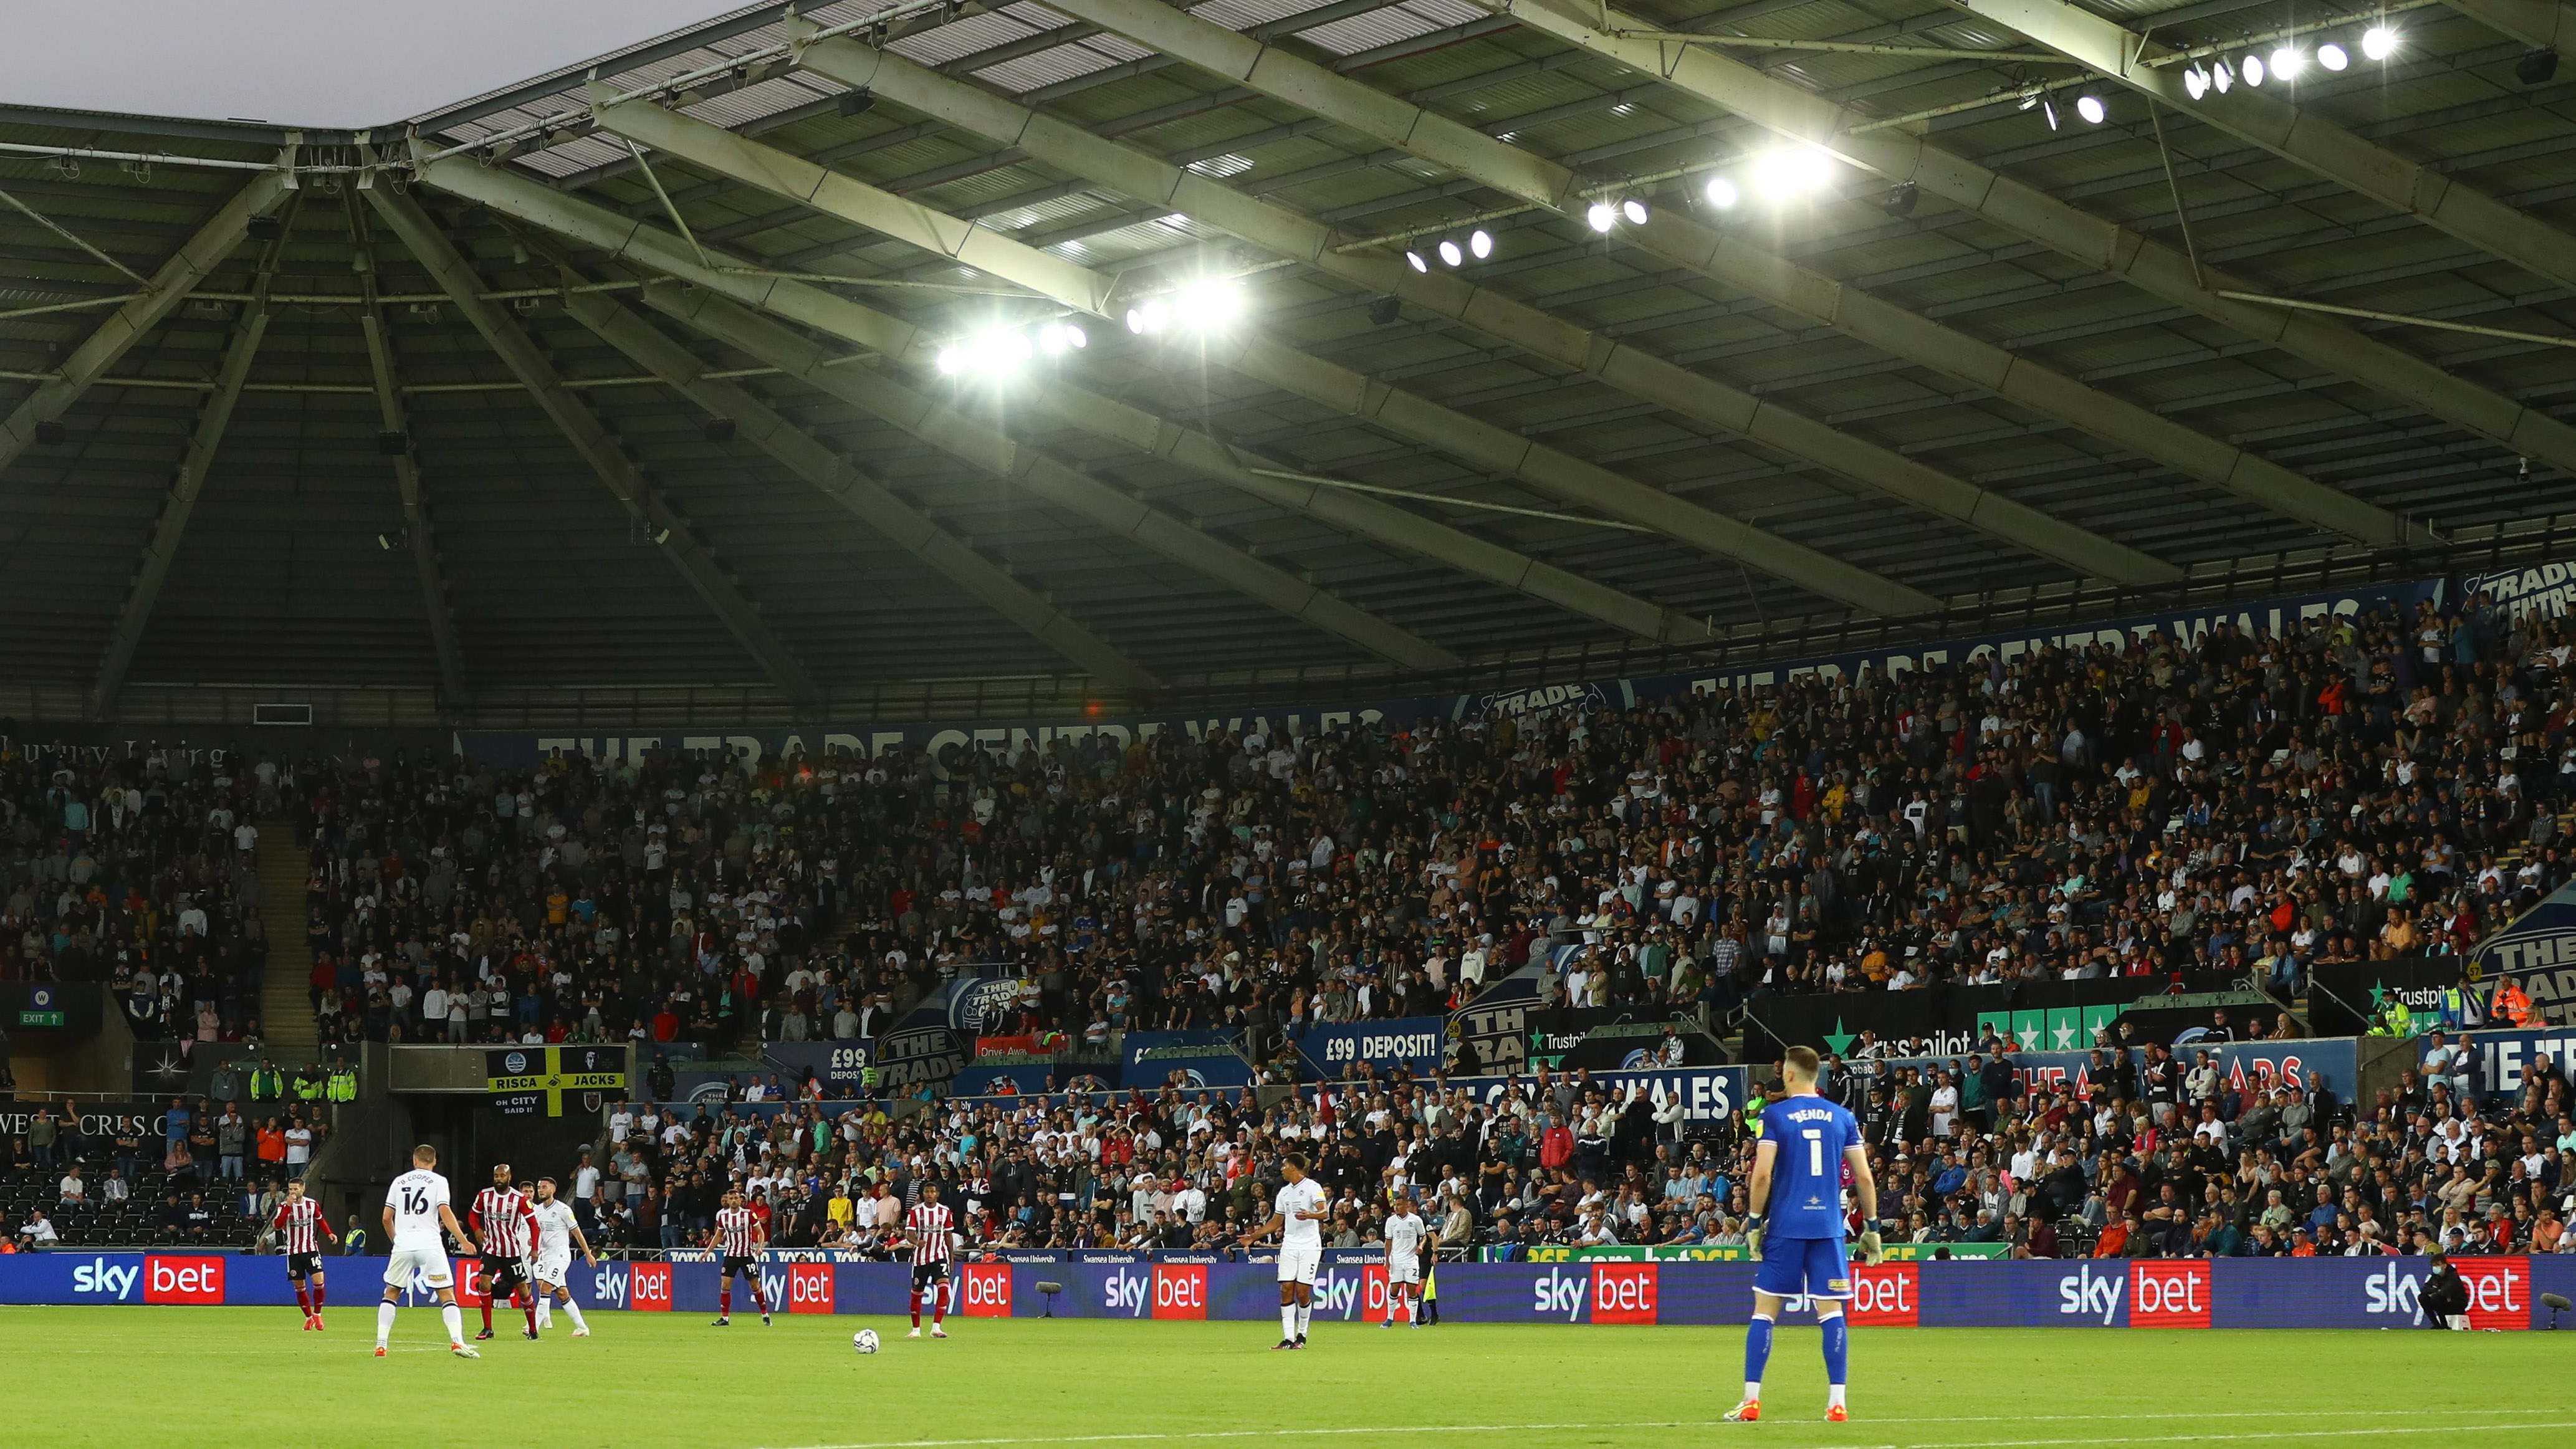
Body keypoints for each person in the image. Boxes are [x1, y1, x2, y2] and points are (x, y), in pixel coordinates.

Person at [1731, 1046, 1882, 1425]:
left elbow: (1762, 1174)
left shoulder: (1776, 1115)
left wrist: (1752, 1223)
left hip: (1787, 1228)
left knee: (1765, 1312)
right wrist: (1872, 1227)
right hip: (1828, 1229)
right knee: (1831, 1312)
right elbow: (1864, 1177)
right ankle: (1837, 1404)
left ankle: (1751, 1400)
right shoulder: (1843, 1117)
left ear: (1790, 1075)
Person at [376, 1142, 481, 1359]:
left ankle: (381, 1345)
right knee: (446, 1294)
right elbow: (445, 1212)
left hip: (404, 1244)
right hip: (430, 1243)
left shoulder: (399, 1182)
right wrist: (463, 1240)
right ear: (434, 1162)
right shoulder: (439, 1181)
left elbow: (387, 1218)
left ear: (414, 1161)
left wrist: (397, 1241)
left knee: (391, 1292)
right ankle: (457, 1342)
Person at [1243, 1150, 1329, 1349]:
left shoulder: (1312, 1187)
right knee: (1286, 1289)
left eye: (1284, 1166)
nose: (1281, 1169)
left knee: (1302, 1292)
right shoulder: (1284, 1192)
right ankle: (1288, 1338)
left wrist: (1310, 1215)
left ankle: (1303, 1335)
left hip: (1309, 1245)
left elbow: (1324, 1212)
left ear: (1293, 1167)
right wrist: (1253, 1237)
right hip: (1290, 1245)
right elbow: (1275, 1223)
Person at [469, 1164, 539, 1342]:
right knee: (484, 1284)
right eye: (496, 1176)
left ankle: (533, 1328)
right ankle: (488, 1328)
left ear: (509, 1177)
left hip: (511, 1251)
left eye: (502, 1176)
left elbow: (534, 1225)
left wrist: (535, 1248)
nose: (499, 1179)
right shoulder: (484, 1196)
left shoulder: (520, 1199)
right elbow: (472, 1215)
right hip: (491, 1249)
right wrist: (477, 1229)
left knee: (523, 1290)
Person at [526, 1177, 596, 1338]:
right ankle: (582, 1328)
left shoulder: (563, 1210)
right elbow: (539, 1231)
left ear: (553, 1190)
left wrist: (588, 1254)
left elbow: (577, 1232)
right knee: (563, 1294)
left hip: (561, 1257)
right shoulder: (538, 1210)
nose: (541, 1190)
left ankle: (534, 1329)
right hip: (546, 1257)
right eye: (539, 1187)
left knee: (545, 1287)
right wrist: (534, 1241)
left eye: (544, 1187)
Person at [269, 1177, 338, 1331]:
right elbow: (278, 1225)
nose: (293, 1192)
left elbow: (320, 1220)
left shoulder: (312, 1204)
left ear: (303, 1189)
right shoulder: (283, 1206)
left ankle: (318, 1315)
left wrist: (329, 1233)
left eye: (295, 1189)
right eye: (290, 1189)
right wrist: (288, 1207)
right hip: (293, 1252)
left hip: (311, 1249)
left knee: (319, 1281)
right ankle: (308, 1318)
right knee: (300, 1288)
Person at [902, 1179, 957, 1339]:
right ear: (923, 1194)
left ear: (938, 1194)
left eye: (933, 1192)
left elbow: (948, 1236)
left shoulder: (945, 1212)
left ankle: (936, 1327)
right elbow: (909, 1233)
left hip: (940, 1256)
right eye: (927, 1192)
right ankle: (916, 1329)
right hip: (921, 1259)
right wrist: (916, 1242)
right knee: (917, 1294)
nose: (930, 1195)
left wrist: (951, 1258)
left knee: (944, 1288)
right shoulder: (915, 1212)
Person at [709, 1188, 772, 1327]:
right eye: (730, 1198)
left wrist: (760, 1247)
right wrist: (708, 1251)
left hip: (747, 1256)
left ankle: (765, 1315)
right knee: (725, 1286)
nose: (733, 1200)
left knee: (755, 1286)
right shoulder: (723, 1216)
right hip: (731, 1255)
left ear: (740, 1200)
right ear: (727, 1200)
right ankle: (725, 1318)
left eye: (735, 1198)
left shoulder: (748, 1214)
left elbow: (760, 1232)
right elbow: (718, 1236)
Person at [1382, 1188, 1427, 1327]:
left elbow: (1424, 1236)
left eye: (1399, 1205)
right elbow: (1388, 1242)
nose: (1397, 1207)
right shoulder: (1390, 1221)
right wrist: (1387, 1260)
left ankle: (1413, 1321)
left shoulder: (1416, 1220)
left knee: (1412, 1289)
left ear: (1406, 1205)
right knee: (1394, 1288)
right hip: (1396, 1260)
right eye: (1395, 1205)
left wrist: (1421, 1246)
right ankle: (1390, 1319)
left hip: (1411, 1260)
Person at [2419, 1252, 2470, 1330]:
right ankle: (2436, 1324)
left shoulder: (2453, 1276)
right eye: (2434, 1266)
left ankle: (2444, 1325)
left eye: (2437, 1265)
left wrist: (2436, 1292)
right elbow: (2424, 1289)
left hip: (2457, 1304)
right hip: (2444, 1301)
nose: (2435, 1268)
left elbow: (2447, 1291)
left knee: (2436, 1298)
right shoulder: (2435, 1277)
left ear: (2444, 1266)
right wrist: (2436, 1290)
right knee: (2423, 1298)